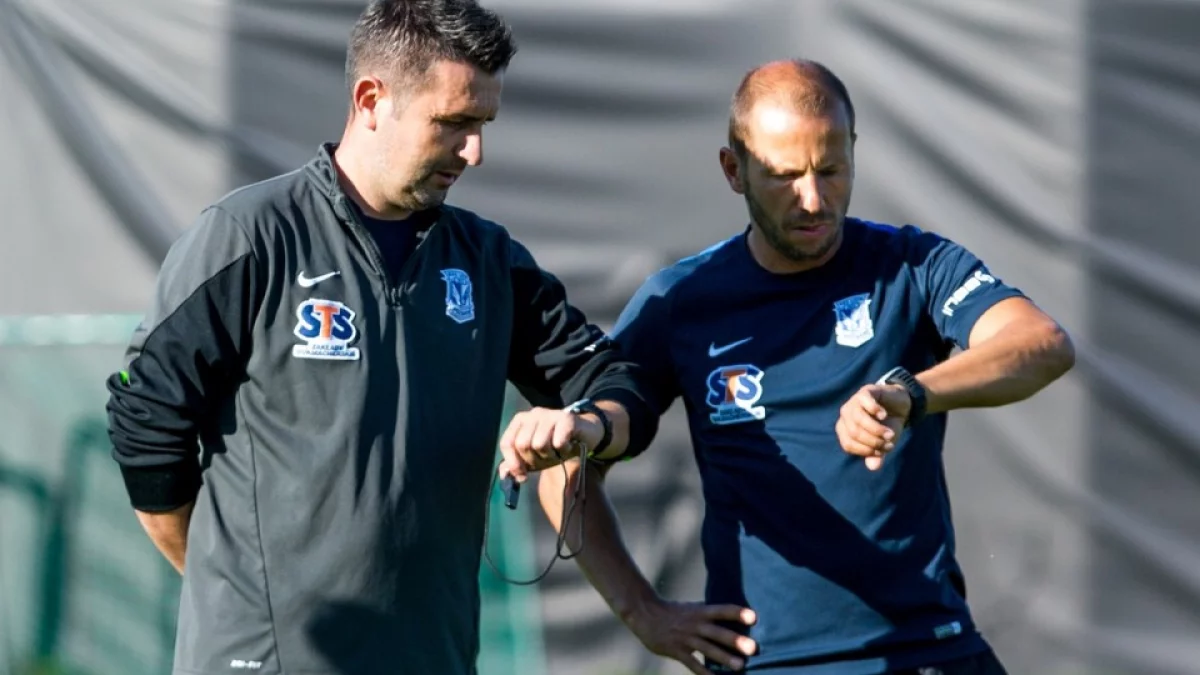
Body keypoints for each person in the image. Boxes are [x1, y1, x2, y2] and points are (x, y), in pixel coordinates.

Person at [104, 1, 656, 674]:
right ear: (372, 100)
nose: (475, 152)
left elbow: (622, 388)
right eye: (453, 123)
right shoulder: (251, 235)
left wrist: (587, 426)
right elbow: (145, 418)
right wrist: (228, 587)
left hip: (433, 658)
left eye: (483, 125)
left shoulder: (489, 260)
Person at [534, 59, 1076, 675]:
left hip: (931, 653)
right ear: (733, 170)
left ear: (854, 153)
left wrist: (911, 393)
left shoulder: (911, 264)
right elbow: (567, 469)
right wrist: (643, 612)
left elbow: (1041, 344)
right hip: (766, 663)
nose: (813, 199)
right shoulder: (681, 302)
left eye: (831, 170)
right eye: (785, 176)